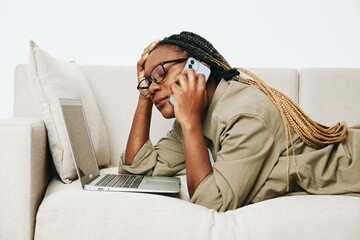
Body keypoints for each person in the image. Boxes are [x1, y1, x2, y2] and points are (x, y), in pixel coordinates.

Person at [119, 31, 360, 212]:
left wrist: (191, 123)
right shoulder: (194, 116)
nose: (152, 87)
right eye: (148, 81)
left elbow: (212, 202)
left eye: (160, 73)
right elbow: (138, 169)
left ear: (199, 67)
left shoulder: (245, 113)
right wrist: (144, 98)